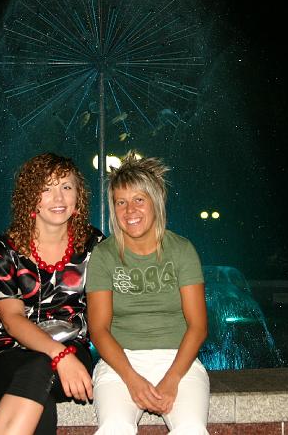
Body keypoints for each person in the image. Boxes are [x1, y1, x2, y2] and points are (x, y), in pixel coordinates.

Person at [0, 153, 104, 435]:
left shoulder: (94, 245)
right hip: (8, 353)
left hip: (73, 348)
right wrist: (59, 356)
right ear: (30, 196)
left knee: (38, 368)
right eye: (46, 188)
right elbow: (12, 320)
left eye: (66, 187)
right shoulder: (4, 250)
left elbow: (106, 312)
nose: (59, 198)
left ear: (78, 195)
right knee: (39, 384)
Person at [86, 151, 209, 434]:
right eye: (121, 202)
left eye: (139, 200)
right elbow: (99, 330)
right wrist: (131, 378)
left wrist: (172, 378)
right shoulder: (104, 255)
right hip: (120, 364)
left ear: (156, 201)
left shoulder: (182, 250)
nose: (130, 210)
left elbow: (198, 326)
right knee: (115, 427)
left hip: (179, 360)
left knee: (191, 428)